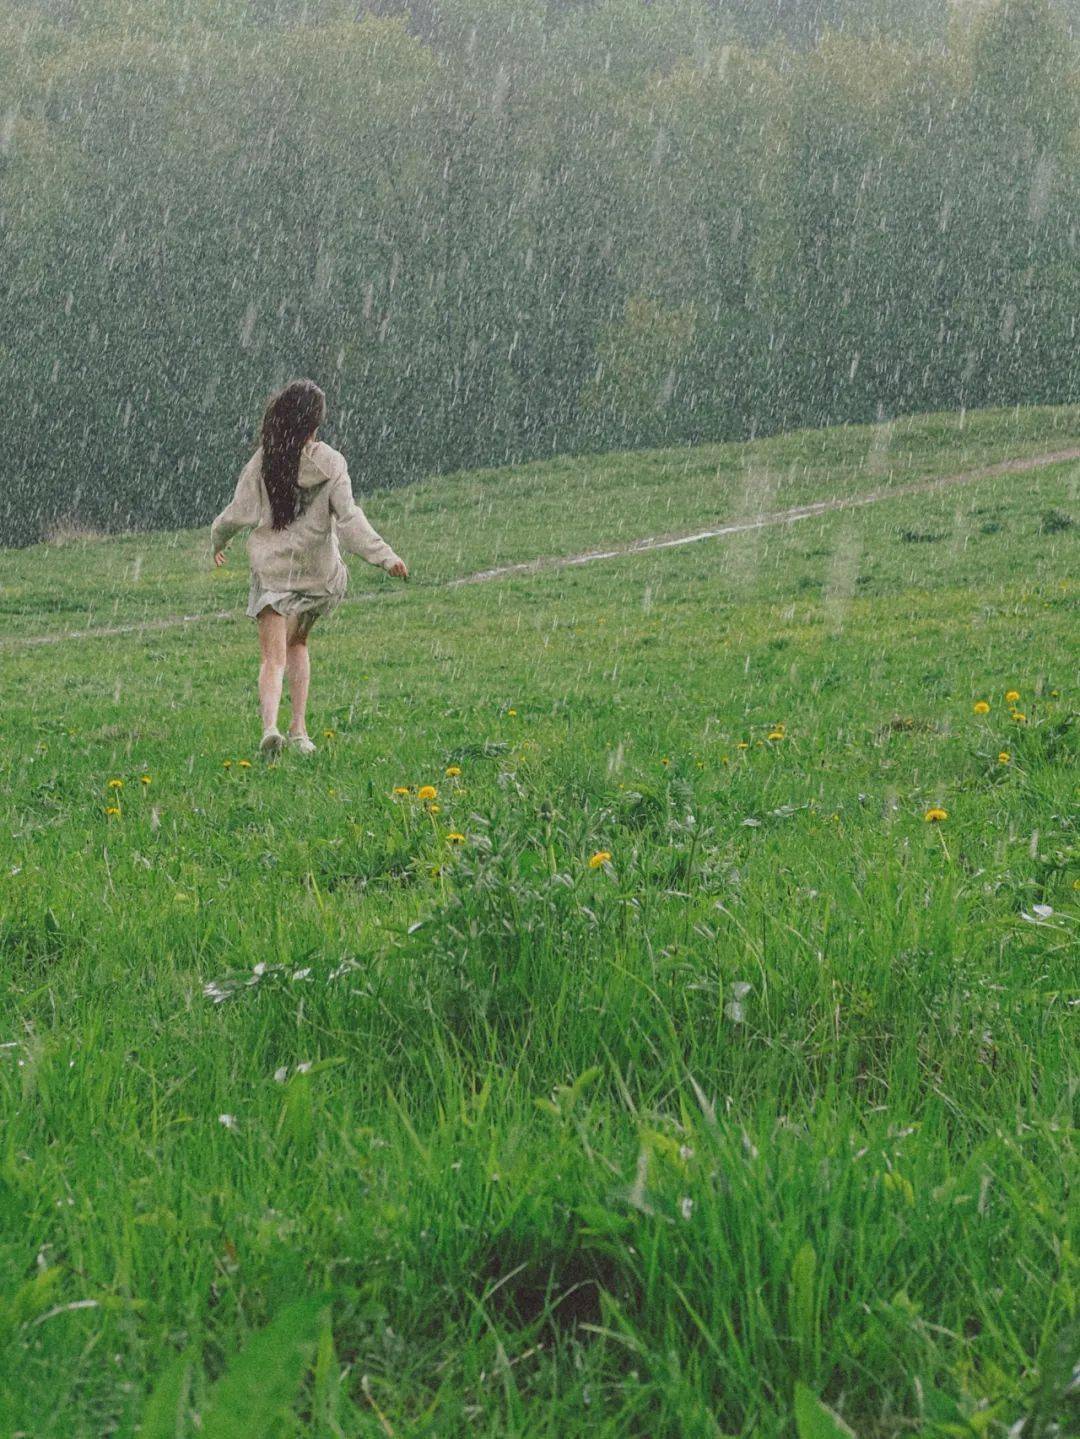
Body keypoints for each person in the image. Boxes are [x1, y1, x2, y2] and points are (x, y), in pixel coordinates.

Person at [210, 378, 408, 756]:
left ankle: (270, 729)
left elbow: (237, 514)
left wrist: (217, 542)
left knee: (272, 658)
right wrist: (385, 557)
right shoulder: (331, 463)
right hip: (317, 574)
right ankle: (299, 732)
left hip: (272, 573)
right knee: (298, 643)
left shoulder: (264, 461)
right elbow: (349, 520)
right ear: (314, 426)